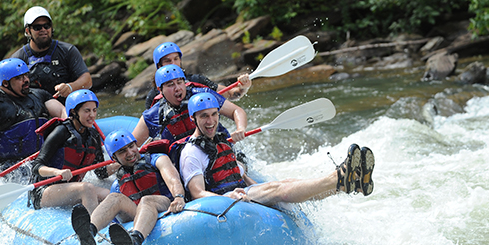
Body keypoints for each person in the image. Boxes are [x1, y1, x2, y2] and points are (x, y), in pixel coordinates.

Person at [177, 93, 375, 207]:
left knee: (284, 183)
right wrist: (227, 198)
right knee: (277, 190)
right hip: (227, 202)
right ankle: (338, 176)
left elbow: (242, 177)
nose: (211, 121)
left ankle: (350, 184)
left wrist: (264, 189)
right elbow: (197, 193)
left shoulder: (222, 142)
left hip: (244, 193)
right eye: (204, 116)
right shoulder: (191, 152)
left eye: (214, 114)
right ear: (193, 118)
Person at [71, 129, 187, 245]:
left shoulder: (157, 159)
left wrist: (179, 197)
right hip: (140, 214)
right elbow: (114, 220)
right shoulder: (118, 184)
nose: (130, 153)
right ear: (114, 158)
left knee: (146, 200)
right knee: (115, 197)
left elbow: (172, 179)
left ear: (136, 144)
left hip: (165, 205)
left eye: (131, 146)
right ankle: (89, 231)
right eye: (122, 151)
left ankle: (136, 240)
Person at [0, 57, 66, 189]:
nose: (26, 80)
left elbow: (61, 112)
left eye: (26, 75)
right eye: (19, 78)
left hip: (37, 163)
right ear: (6, 83)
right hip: (6, 170)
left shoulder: (38, 95)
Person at [27, 89, 115, 213]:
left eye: (94, 110)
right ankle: (95, 227)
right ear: (74, 112)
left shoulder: (93, 136)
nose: (92, 115)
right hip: (44, 190)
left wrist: (119, 162)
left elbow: (100, 172)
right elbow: (36, 166)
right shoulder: (61, 132)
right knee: (87, 188)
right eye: (87, 111)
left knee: (109, 194)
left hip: (70, 188)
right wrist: (57, 171)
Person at [133, 64, 248, 147]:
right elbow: (131, 145)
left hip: (219, 148)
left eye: (179, 82)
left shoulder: (203, 95)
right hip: (186, 162)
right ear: (160, 90)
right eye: (170, 85)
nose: (177, 88)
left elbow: (236, 111)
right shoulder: (154, 114)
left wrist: (240, 129)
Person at [11, 6, 92, 100]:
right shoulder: (18, 59)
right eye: (37, 27)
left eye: (47, 26)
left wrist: (70, 87)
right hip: (35, 109)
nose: (43, 30)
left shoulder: (68, 50)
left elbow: (87, 80)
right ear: (28, 31)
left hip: (66, 108)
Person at [144, 42, 252, 109]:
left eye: (176, 59)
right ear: (159, 65)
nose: (173, 64)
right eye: (168, 61)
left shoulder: (196, 81)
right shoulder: (153, 95)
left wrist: (243, 87)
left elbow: (231, 94)